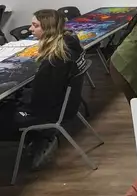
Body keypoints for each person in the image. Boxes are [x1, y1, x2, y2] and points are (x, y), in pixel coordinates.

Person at [0, 9, 85, 165]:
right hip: (67, 105)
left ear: (48, 28)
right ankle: (39, 138)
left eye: (35, 25)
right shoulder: (69, 47)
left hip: (49, 112)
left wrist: (15, 99)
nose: (31, 29)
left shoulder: (54, 61)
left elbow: (38, 100)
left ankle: (40, 136)